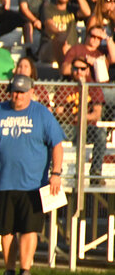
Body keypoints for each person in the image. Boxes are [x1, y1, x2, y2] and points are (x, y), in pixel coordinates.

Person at [0, 74, 65, 275]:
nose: (17, 96)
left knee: (29, 228)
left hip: (33, 184)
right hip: (4, 181)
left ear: (31, 92)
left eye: (21, 92)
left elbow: (57, 145)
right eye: (14, 92)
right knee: (6, 230)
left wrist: (56, 173)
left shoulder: (41, 114)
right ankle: (9, 271)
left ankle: (25, 271)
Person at [54, 56, 107, 184]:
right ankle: (54, 169)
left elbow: (96, 114)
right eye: (75, 68)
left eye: (82, 68)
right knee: (53, 133)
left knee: (101, 134)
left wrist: (82, 117)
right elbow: (58, 112)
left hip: (88, 128)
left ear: (88, 70)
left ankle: (95, 172)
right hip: (69, 127)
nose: (79, 71)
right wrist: (71, 117)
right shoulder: (65, 86)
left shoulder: (93, 87)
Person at [40, 0, 89, 65]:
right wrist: (60, 35)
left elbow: (87, 12)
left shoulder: (72, 9)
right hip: (50, 47)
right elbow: (49, 24)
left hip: (70, 49)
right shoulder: (48, 8)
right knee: (60, 42)